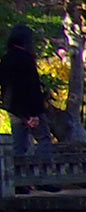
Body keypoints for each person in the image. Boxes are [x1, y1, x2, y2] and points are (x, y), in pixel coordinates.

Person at [0, 26, 50, 158]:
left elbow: (6, 87)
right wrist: (32, 114)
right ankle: (42, 172)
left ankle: (18, 175)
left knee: (19, 146)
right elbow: (31, 87)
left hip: (14, 109)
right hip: (31, 109)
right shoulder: (26, 59)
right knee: (44, 140)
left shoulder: (6, 59)